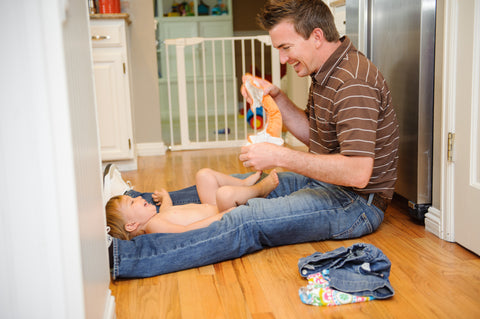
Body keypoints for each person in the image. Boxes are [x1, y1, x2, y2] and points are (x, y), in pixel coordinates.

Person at [108, 0, 399, 279]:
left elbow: (358, 173)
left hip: (355, 204)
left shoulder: (352, 82)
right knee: (228, 185)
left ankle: (125, 254)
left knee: (245, 216)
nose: (283, 59)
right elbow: (317, 137)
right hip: (327, 186)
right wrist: (276, 97)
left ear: (317, 36)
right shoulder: (326, 73)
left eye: (286, 48)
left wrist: (281, 156)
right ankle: (125, 209)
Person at [106, 168, 279, 238]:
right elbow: (186, 230)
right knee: (224, 194)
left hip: (214, 207)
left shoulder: (157, 218)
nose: (138, 197)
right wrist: (220, 216)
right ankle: (261, 190)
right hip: (222, 214)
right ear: (132, 225)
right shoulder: (154, 227)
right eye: (132, 202)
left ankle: (242, 184)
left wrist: (165, 197)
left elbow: (169, 209)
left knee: (203, 175)